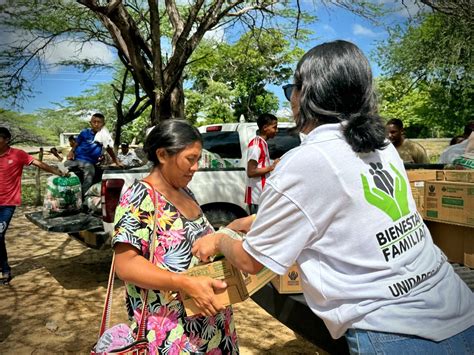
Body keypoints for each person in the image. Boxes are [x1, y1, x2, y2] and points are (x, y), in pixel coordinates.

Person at [192, 40, 474, 354]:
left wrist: (219, 240)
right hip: (456, 307)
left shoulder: (307, 161)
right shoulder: (380, 145)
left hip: (397, 332)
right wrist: (253, 220)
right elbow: (345, 212)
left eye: (292, 90)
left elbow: (250, 261)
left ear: (307, 94)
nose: (291, 100)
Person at [111, 120, 238, 354]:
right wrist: (185, 284)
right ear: (162, 155)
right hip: (172, 337)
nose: (196, 167)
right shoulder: (139, 198)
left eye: (198, 159)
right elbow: (125, 265)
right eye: (190, 159)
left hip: (212, 329)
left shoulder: (185, 191)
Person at [0, 127, 67, 285]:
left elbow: (38, 163)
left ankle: (5, 270)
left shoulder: (18, 154)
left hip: (7, 203)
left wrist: (57, 172)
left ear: (7, 139)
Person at [64, 113, 122, 196]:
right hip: (76, 160)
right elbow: (76, 143)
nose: (96, 124)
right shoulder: (84, 132)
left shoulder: (103, 135)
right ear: (90, 122)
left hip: (88, 163)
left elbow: (109, 149)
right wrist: (71, 152)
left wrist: (116, 162)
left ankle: (84, 196)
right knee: (64, 166)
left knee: (90, 169)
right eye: (94, 122)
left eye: (99, 122)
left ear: (103, 124)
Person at [244, 113, 279, 214]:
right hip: (257, 197)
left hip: (262, 196)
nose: (277, 130)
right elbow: (251, 172)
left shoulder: (262, 143)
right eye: (274, 127)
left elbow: (261, 165)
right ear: (265, 127)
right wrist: (272, 167)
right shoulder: (256, 145)